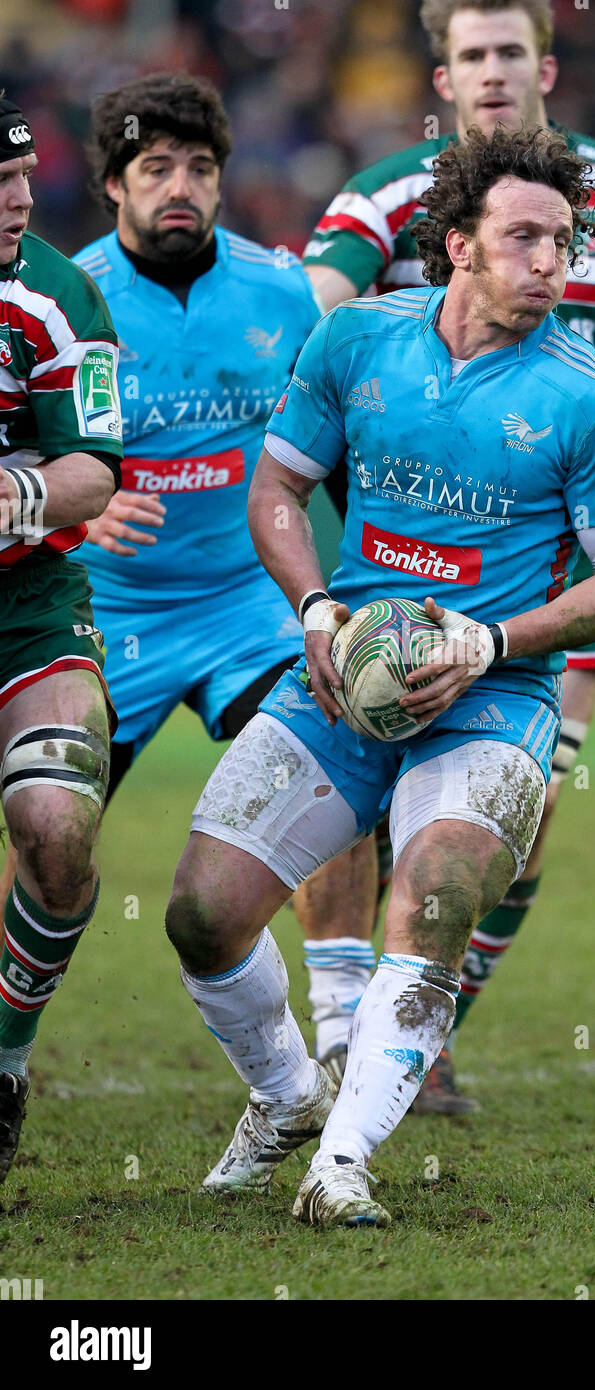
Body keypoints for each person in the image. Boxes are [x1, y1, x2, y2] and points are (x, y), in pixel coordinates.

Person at [164, 125, 595, 1227]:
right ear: (455, 247)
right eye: (522, 237)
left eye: (563, 241)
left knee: (431, 890)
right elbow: (276, 493)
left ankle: (340, 1163)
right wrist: (318, 609)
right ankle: (288, 1094)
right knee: (201, 914)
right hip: (342, 683)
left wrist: (489, 643)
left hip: (492, 700)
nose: (548, 262)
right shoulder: (353, 342)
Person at [303, 0, 595, 1112]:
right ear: (440, 79)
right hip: (397, 556)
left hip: (554, 574)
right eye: (468, 56)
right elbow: (308, 325)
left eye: (508, 52)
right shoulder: (386, 198)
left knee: (521, 806)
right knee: (347, 794)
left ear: (543, 63)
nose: (490, 73)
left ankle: (423, 1028)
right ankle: (344, 1027)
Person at [0, 73, 378, 1082]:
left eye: (200, 168)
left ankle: (346, 1023)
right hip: (106, 616)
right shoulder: (71, 295)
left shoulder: (283, 293)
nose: (182, 187)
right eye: (155, 167)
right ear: (113, 184)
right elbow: (52, 465)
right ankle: (13, 1042)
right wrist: (87, 502)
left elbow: (332, 446)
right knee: (51, 834)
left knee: (335, 744)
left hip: (245, 603)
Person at [0, 95, 123, 1181]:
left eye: (25, 174)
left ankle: (2, 1064)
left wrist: (20, 487)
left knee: (56, 824)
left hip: (25, 606)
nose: (22, 198)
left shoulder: (55, 291)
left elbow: (93, 468)